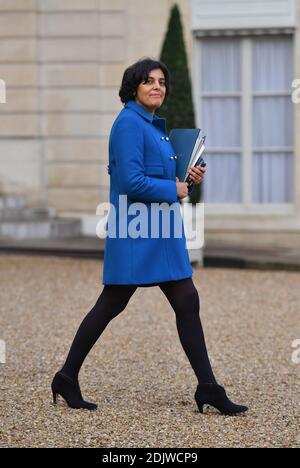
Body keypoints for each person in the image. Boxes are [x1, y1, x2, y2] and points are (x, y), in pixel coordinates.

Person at [51, 58, 248, 416]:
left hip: (159, 229)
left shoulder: (152, 125)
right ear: (133, 87)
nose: (157, 86)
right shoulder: (128, 124)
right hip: (137, 230)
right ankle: (66, 376)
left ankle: (208, 387)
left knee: (186, 300)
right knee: (112, 303)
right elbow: (130, 182)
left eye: (161, 82)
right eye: (149, 82)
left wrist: (185, 177)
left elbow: (155, 173)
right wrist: (174, 187)